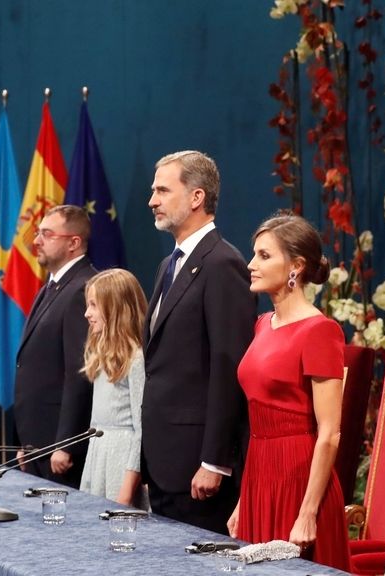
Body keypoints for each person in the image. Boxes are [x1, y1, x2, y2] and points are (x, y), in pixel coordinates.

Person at [226, 212, 350, 569]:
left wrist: (308, 511)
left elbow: (329, 433)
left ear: (296, 266)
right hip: (259, 474)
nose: (251, 264)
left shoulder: (320, 331)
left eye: (264, 256)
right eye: (254, 254)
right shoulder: (263, 324)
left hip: (299, 479)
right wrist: (243, 501)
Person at [141, 150, 256, 534]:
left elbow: (229, 367)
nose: (152, 200)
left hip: (197, 467)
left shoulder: (222, 264)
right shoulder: (167, 265)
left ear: (196, 197)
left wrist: (215, 461)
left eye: (162, 190)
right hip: (163, 461)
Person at [13, 204, 97, 488]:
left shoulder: (83, 289)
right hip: (39, 442)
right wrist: (27, 442)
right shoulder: (51, 287)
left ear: (74, 243)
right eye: (37, 233)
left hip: (59, 449)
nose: (35, 241)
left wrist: (66, 444)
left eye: (46, 234)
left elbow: (80, 373)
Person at [78, 269, 148, 508]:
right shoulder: (102, 354)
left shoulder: (136, 357)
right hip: (99, 454)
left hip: (121, 460)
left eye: (94, 305)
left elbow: (140, 430)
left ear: (116, 308)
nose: (87, 313)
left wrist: (126, 492)